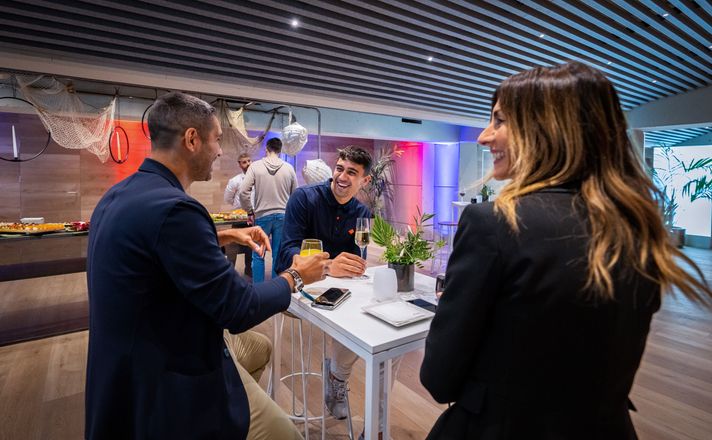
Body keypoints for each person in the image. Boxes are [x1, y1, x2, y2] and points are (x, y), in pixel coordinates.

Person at [419, 62, 711, 439]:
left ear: (547, 128)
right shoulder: (639, 228)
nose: (484, 136)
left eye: (500, 120)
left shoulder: (493, 224)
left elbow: (438, 378)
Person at [85, 92, 331, 440]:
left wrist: (222, 236)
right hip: (165, 379)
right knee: (286, 435)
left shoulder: (118, 194)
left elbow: (152, 250)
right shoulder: (177, 210)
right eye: (216, 140)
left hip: (118, 370)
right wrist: (295, 276)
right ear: (191, 139)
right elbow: (239, 308)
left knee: (259, 348)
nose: (218, 151)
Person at [277, 146, 399, 439]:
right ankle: (338, 375)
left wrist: (356, 267)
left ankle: (375, 428)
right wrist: (329, 265)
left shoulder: (361, 213)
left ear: (365, 181)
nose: (342, 177)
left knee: (389, 338)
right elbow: (286, 252)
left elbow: (356, 262)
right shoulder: (304, 198)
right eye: (340, 168)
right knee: (362, 323)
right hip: (298, 288)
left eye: (351, 172)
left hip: (337, 291)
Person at [239, 137, 297, 283]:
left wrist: (249, 211)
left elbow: (243, 192)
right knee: (278, 255)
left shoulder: (255, 166)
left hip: (262, 216)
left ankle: (259, 291)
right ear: (280, 150)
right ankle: (276, 289)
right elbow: (295, 195)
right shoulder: (289, 168)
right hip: (283, 217)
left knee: (258, 254)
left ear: (266, 149)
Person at [223, 152, 253, 276]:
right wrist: (239, 207)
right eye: (244, 162)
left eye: (249, 161)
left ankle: (249, 271)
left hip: (252, 216)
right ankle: (230, 272)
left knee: (251, 245)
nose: (248, 164)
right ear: (239, 164)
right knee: (233, 246)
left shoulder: (257, 178)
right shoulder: (235, 180)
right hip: (239, 217)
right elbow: (227, 198)